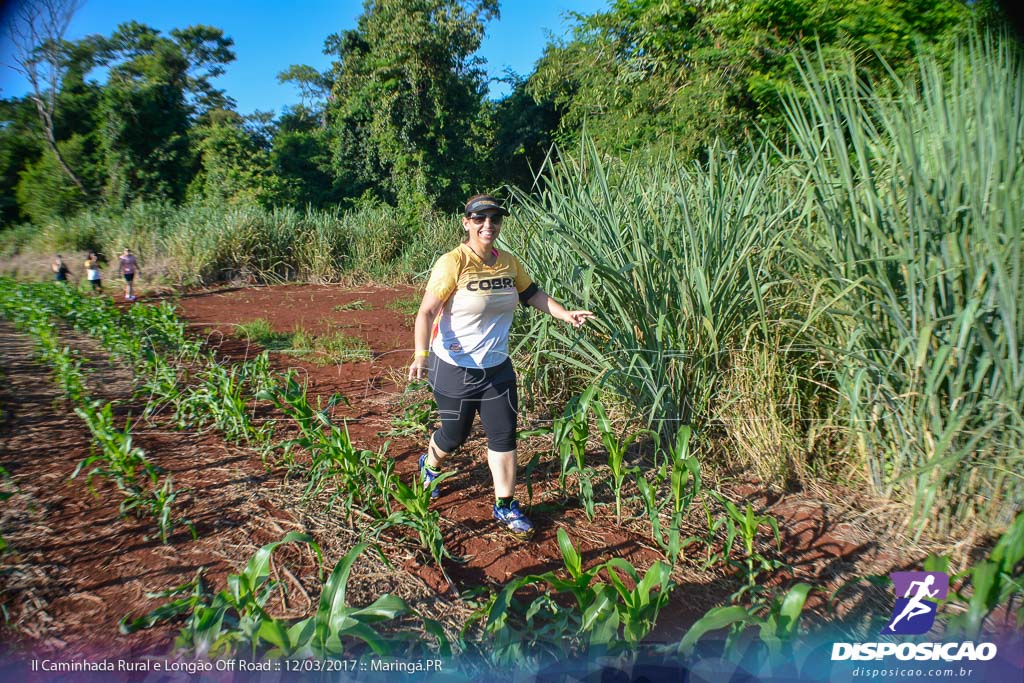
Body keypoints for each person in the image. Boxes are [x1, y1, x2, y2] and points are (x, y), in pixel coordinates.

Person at [408, 194, 595, 539]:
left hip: (497, 367)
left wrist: (565, 314)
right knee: (454, 436)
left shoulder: (508, 262)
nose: (488, 225)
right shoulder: (454, 263)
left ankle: (505, 505)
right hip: (455, 366)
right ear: (466, 223)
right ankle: (430, 465)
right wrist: (421, 356)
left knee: (504, 436)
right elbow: (426, 312)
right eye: (480, 219)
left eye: (494, 219)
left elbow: (532, 294)